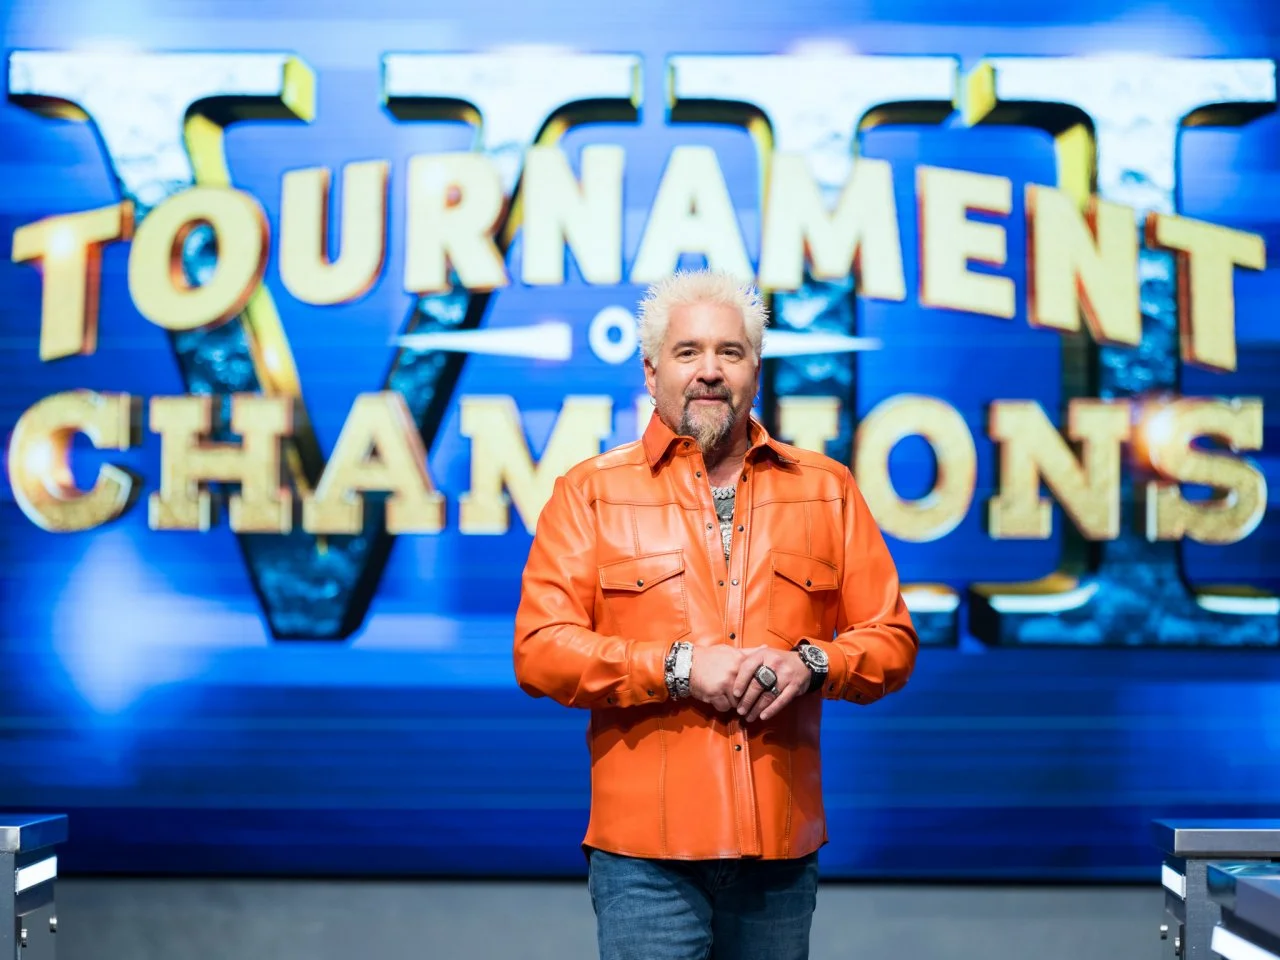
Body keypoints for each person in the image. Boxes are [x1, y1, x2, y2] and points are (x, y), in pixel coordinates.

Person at [513, 269, 918, 960]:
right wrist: (677, 667)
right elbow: (541, 650)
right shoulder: (590, 494)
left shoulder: (827, 490)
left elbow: (892, 641)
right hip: (644, 857)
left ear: (755, 369)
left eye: (730, 352)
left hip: (780, 855)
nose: (709, 371)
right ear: (651, 372)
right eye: (687, 352)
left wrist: (813, 663)